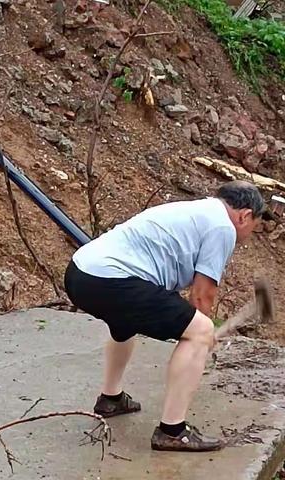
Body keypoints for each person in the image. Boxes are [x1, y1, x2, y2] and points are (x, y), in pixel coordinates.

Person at [64, 181, 264, 451]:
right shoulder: (222, 227)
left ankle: (111, 399)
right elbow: (202, 296)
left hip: (80, 273)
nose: (251, 232)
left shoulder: (197, 211)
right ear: (245, 215)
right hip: (111, 279)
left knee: (124, 322)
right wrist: (202, 336)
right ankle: (173, 431)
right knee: (200, 331)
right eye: (255, 225)